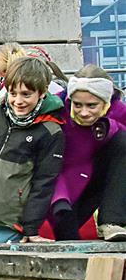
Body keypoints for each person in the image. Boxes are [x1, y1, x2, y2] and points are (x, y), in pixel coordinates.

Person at [0, 56, 65, 244]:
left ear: (42, 92)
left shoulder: (50, 131)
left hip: (12, 225)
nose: (18, 101)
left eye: (26, 94)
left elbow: (44, 183)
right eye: (13, 93)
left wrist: (31, 227)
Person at [50, 65, 126, 241]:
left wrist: (111, 128)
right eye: (77, 105)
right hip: (58, 191)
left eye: (92, 106)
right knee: (67, 237)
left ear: (106, 102)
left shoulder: (119, 111)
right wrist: (59, 199)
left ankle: (111, 221)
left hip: (93, 184)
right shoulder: (55, 110)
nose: (84, 113)